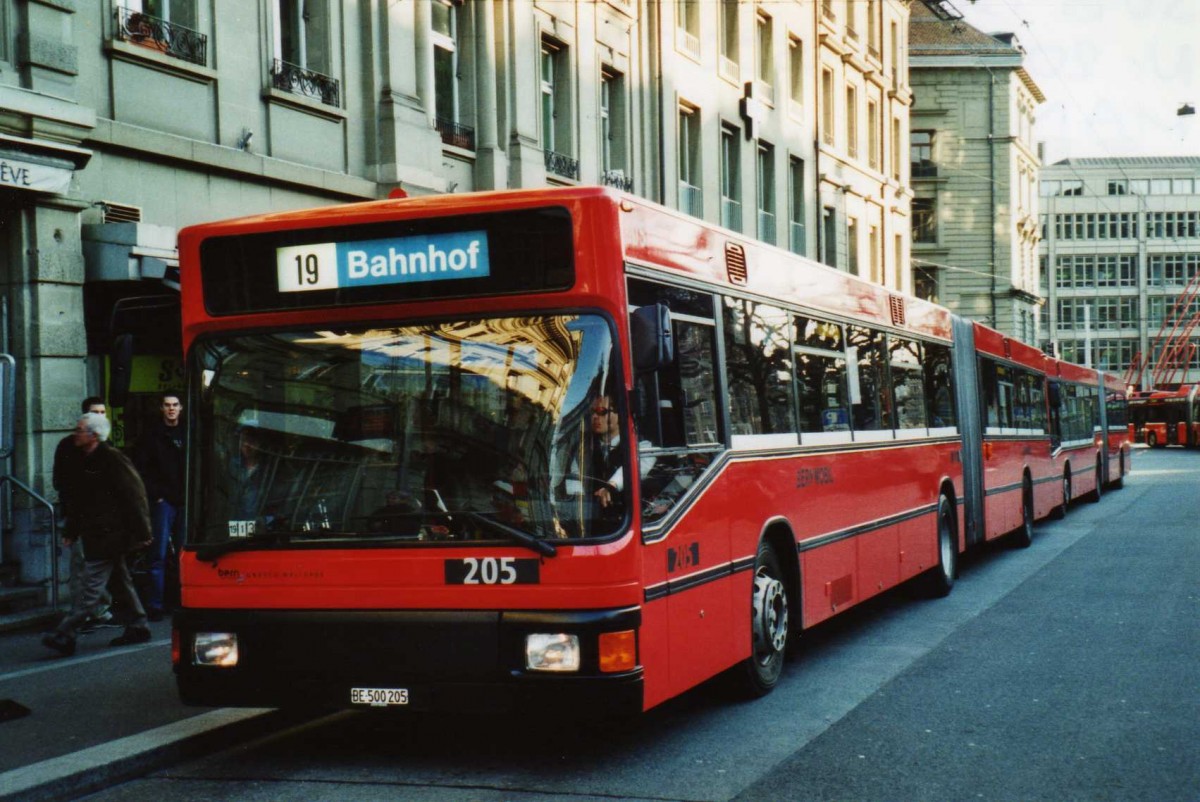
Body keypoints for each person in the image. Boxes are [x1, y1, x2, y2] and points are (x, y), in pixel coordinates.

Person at [42, 413, 153, 657]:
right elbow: (79, 501)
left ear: (93, 435)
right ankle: (138, 624)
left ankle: (65, 633)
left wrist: (143, 531)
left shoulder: (111, 459)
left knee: (90, 587)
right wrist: (71, 530)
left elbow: (134, 495)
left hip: (110, 534)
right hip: (98, 533)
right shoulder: (85, 459)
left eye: (80, 430)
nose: (76, 433)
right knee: (119, 581)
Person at [52, 396, 114, 630]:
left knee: (105, 566)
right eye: (93, 412)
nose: (99, 416)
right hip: (80, 516)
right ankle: (83, 612)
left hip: (103, 519)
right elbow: (64, 482)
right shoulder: (71, 446)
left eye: (102, 412)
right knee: (81, 565)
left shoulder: (106, 448)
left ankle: (100, 609)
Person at [134, 392, 185, 621]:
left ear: (181, 408)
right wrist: (157, 496)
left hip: (182, 500)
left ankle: (181, 600)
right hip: (165, 501)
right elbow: (142, 470)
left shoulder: (188, 432)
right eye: (167, 405)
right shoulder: (151, 436)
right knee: (159, 554)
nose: (171, 409)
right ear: (162, 409)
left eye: (175, 405)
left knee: (184, 554)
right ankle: (156, 604)